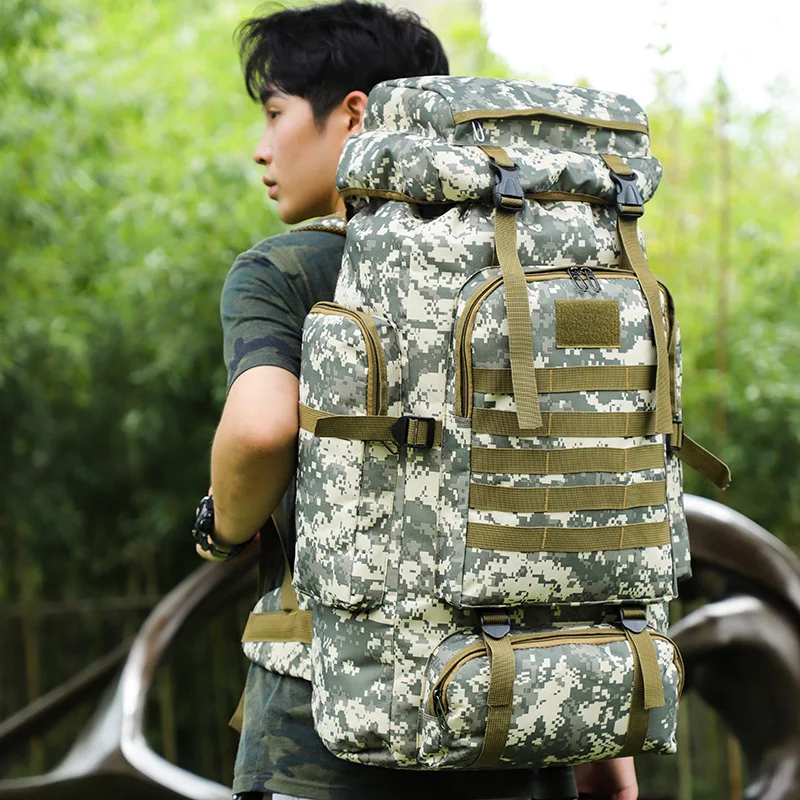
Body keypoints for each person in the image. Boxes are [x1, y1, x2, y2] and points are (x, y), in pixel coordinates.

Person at [195, 2, 639, 798]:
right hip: (525, 709)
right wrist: (607, 748)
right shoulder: (530, 275)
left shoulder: (286, 272)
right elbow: (572, 482)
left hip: (331, 736)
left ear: (353, 115)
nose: (262, 148)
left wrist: (220, 530)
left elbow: (260, 431)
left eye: (274, 113)